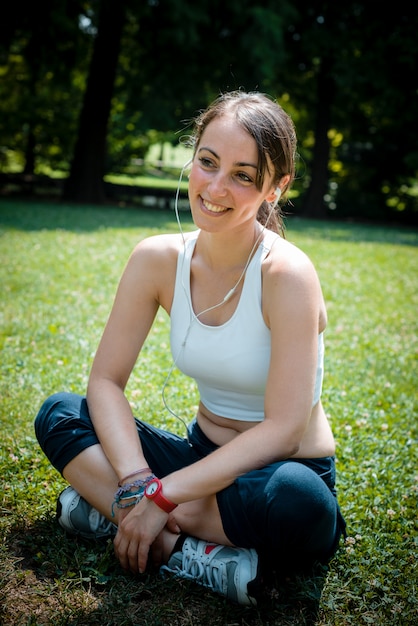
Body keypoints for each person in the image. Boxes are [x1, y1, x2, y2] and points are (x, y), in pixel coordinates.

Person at [35, 90, 346, 607]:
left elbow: (285, 430)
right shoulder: (156, 259)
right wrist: (140, 484)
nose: (216, 187)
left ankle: (114, 514)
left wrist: (165, 495)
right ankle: (185, 549)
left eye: (243, 175)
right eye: (207, 162)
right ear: (193, 156)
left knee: (302, 505)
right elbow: (106, 383)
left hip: (278, 473)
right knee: (61, 413)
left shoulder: (287, 274)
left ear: (276, 187)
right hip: (195, 459)